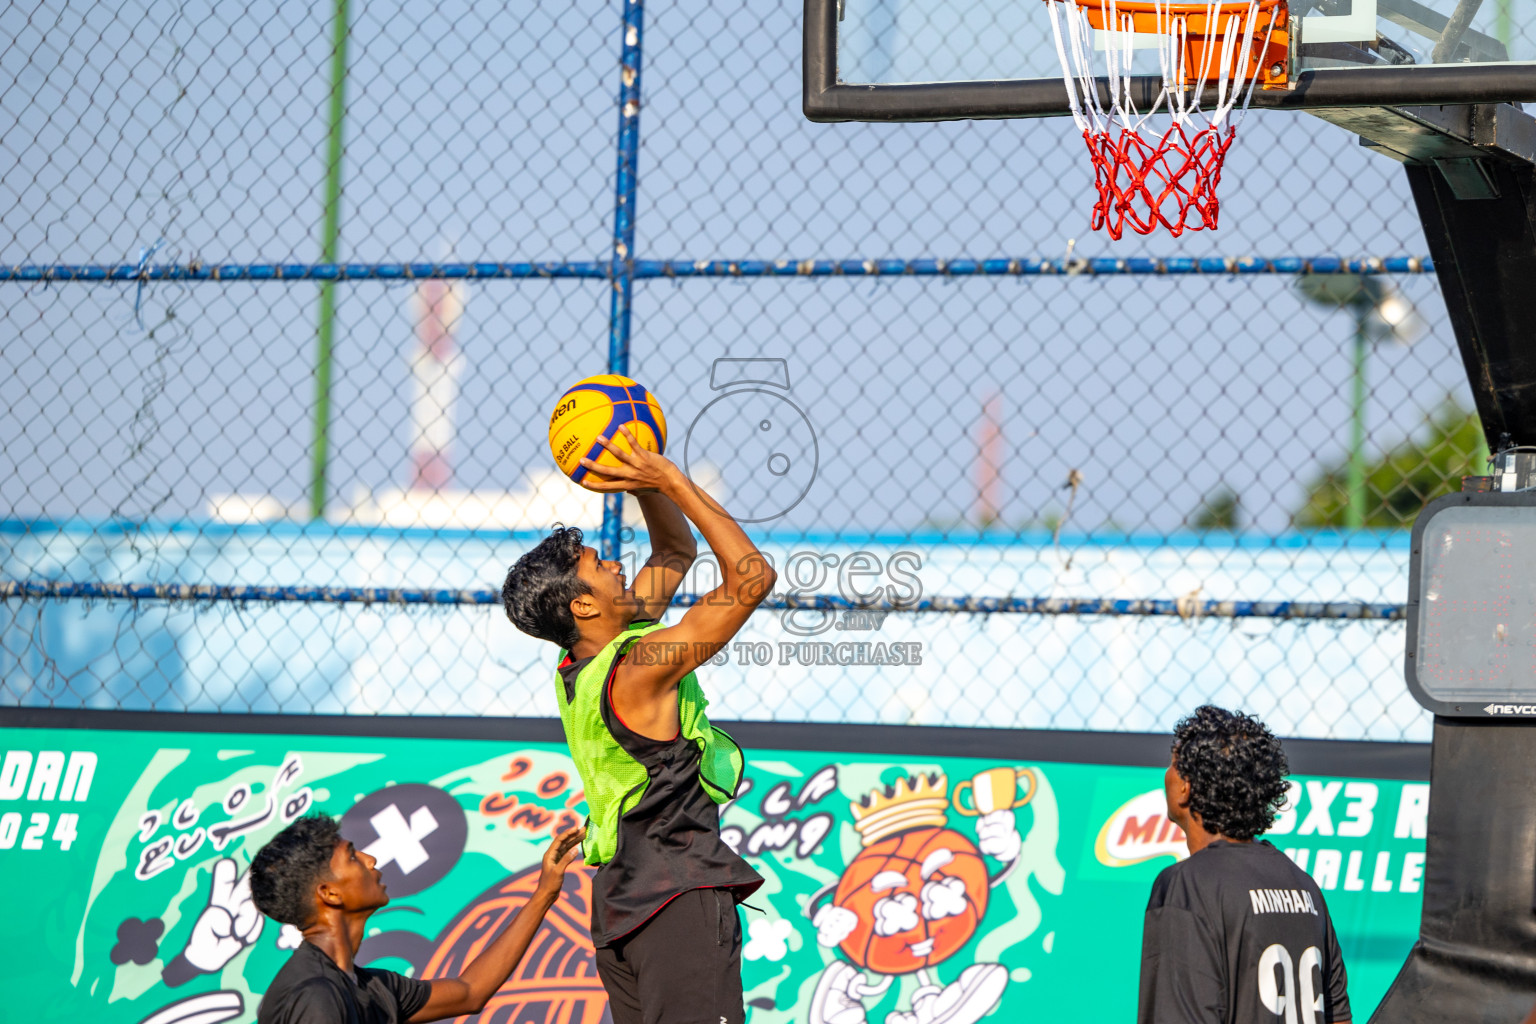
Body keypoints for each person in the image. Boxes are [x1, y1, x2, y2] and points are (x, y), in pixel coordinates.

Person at [501, 426, 777, 1024]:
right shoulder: (638, 670)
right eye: (602, 567)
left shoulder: (580, 662)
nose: (620, 569)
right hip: (675, 898)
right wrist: (673, 479)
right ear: (582, 605)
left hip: (622, 908)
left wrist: (640, 479)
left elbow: (675, 554)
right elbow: (752, 579)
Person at [250, 813, 584, 1024]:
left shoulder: (369, 986)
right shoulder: (316, 997)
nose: (370, 859)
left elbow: (470, 992)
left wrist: (544, 893)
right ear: (330, 894)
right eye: (352, 856)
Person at [1139, 705, 1351, 1024]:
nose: (1166, 774)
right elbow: (1339, 1018)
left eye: (1172, 764)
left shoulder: (1187, 885)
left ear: (1186, 787)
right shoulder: (1305, 887)